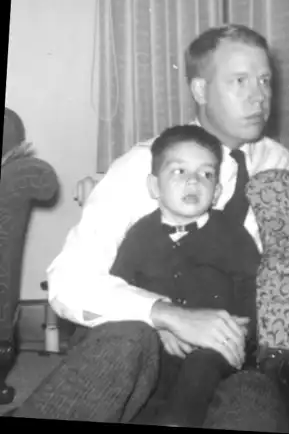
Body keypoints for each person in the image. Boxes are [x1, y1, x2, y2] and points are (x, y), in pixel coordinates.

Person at [17, 25, 289, 430]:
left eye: (265, 80)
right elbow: (67, 281)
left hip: (227, 355)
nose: (259, 95)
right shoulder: (141, 166)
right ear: (199, 91)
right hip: (142, 345)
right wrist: (163, 314)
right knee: (124, 344)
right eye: (240, 81)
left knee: (254, 399)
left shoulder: (277, 163)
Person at [108, 124, 261, 427]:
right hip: (161, 340)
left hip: (217, 343)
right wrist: (159, 325)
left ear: (216, 191)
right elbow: (120, 291)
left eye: (206, 174)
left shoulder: (232, 234)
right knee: (139, 370)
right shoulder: (139, 236)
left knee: (201, 369)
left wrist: (241, 328)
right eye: (179, 171)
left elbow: (253, 287)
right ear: (154, 187)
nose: (193, 180)